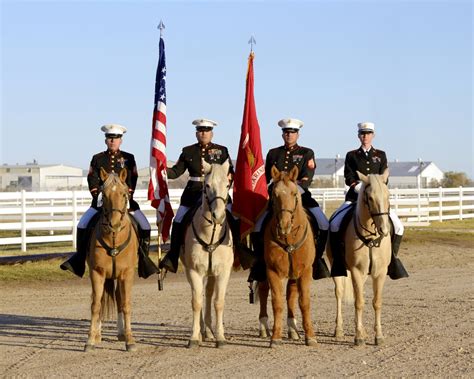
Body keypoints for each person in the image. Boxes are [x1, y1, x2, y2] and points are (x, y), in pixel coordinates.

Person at [60, 124, 159, 278]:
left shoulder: (129, 158)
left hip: (124, 203)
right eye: (110, 138)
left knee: (145, 226)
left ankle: (143, 261)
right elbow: (92, 178)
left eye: (116, 138)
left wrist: (127, 196)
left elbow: (132, 179)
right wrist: (98, 195)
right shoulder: (98, 158)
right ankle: (79, 259)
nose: (113, 141)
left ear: (121, 140)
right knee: (82, 225)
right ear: (106, 140)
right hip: (101, 202)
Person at [249, 118, 331, 282]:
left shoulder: (307, 153)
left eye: (292, 132)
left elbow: (306, 178)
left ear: (297, 135)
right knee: (257, 227)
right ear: (283, 135)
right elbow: (264, 178)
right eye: (286, 132)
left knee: (323, 224)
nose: (289, 135)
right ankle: (259, 262)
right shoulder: (273, 153)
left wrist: (291, 192)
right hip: (276, 199)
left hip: (300, 197)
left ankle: (317, 260)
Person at [329, 121, 409, 279]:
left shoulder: (381, 155)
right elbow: (348, 176)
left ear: (373, 135)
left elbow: (384, 179)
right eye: (362, 134)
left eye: (368, 134)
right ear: (358, 136)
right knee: (334, 224)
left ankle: (392, 260)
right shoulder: (351, 155)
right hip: (354, 199)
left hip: (376, 201)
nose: (365, 136)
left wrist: (375, 189)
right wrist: (357, 186)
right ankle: (339, 261)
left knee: (399, 227)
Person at [159, 118, 236, 273]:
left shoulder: (222, 150)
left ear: (211, 133)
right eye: (200, 131)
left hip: (217, 194)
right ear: (196, 134)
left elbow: (230, 173)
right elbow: (176, 172)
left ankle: (240, 251)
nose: (203, 133)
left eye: (206, 131)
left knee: (234, 218)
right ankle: (173, 256)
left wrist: (226, 182)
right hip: (193, 193)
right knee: (179, 220)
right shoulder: (188, 151)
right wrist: (161, 169)